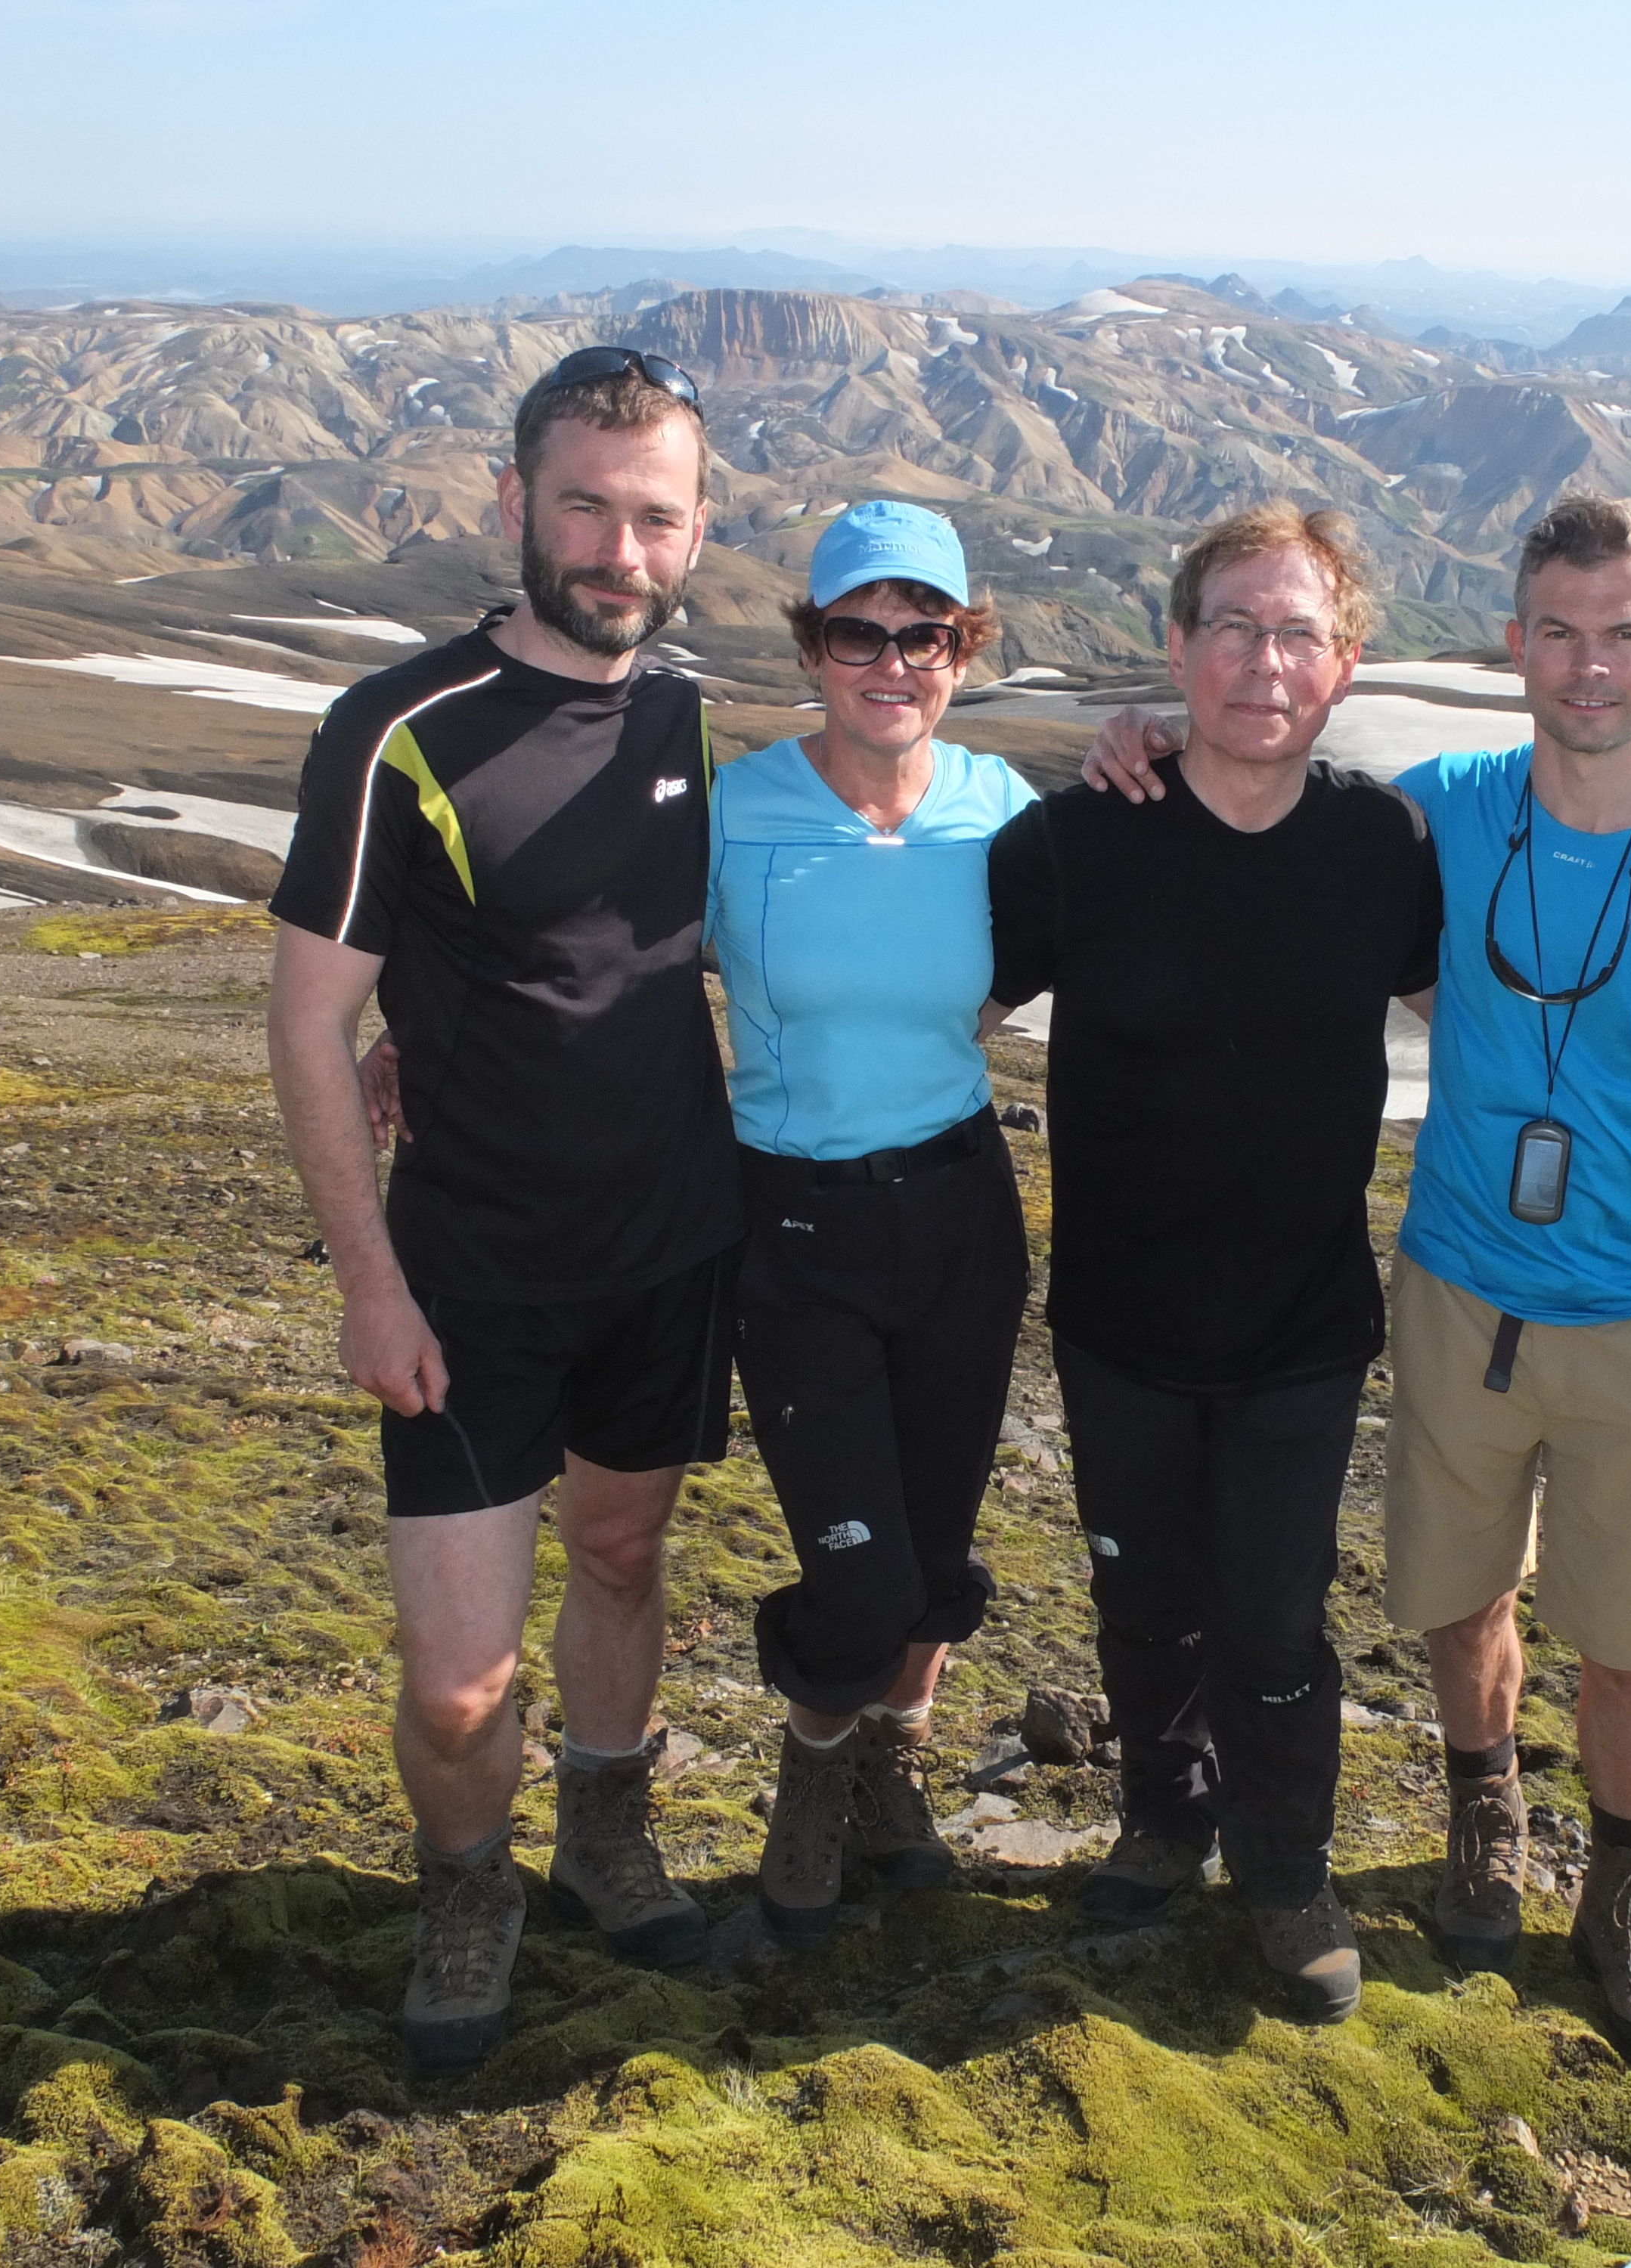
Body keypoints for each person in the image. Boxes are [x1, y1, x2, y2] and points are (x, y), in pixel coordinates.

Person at [1084, 494, 1631, 2084]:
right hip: (1456, 1296)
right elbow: (1260, 790)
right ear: (1514, 645)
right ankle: (1486, 1817)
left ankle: (1625, 1891)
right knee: (1459, 1592)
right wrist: (1132, 744)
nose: (1586, 665)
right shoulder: (1437, 817)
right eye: (1555, 629)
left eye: (1620, 632)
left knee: (1626, 1636)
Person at [266, 345, 736, 2068]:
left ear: (696, 530)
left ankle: (606, 1833)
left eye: (655, 517)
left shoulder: (687, 714)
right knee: (459, 1680)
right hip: (469, 1282)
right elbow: (310, 1016)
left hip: (673, 1249)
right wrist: (368, 1287)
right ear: (513, 507)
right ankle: (466, 1885)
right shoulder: (398, 729)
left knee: (625, 1553)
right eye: (586, 508)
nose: (620, 549)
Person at [986, 501, 1443, 2025]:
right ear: (1177, 649)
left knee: (1269, 1615)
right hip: (1118, 1319)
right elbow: (932, 1008)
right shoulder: (1074, 842)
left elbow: (1485, 1021)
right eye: (1232, 628)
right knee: (1141, 1603)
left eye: (1297, 632)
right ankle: (1163, 1818)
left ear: (1345, 662)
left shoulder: (1382, 847)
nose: (1263, 661)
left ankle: (1285, 1865)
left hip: (1300, 1330)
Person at [709, 501, 1037, 1939]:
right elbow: (592, 956)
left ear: (962, 650)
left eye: (926, 635)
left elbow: (1063, 943)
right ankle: (811, 1769)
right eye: (860, 633)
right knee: (863, 1567)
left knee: (937, 1540)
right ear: (814, 645)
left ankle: (888, 1774)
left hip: (962, 1210)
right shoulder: (735, 813)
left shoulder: (1003, 806)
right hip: (791, 1226)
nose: (891, 662)